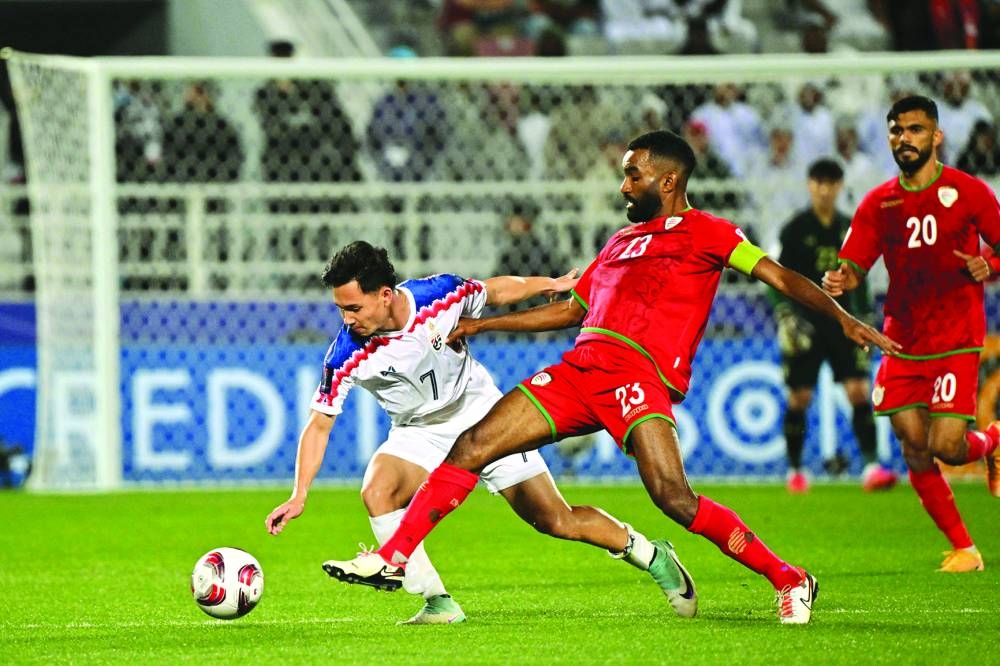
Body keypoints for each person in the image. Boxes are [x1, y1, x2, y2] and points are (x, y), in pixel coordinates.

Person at [323, 130, 901, 625]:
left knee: (673, 497)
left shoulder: (713, 234)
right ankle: (393, 557)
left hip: (639, 377)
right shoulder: (619, 242)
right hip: (580, 370)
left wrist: (845, 319)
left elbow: (780, 277)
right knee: (471, 445)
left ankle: (788, 577)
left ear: (668, 181)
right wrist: (486, 325)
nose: (624, 186)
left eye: (633, 175)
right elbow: (572, 310)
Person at [265, 240, 699, 624]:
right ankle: (438, 602)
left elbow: (494, 290)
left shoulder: (438, 295)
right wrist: (300, 493)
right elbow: (319, 425)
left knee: (556, 520)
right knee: (378, 490)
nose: (346, 319)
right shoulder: (345, 354)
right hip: (418, 431)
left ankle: (650, 552)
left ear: (384, 295)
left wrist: (549, 283)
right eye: (340, 308)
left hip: (484, 418)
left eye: (353, 308)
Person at [822, 95, 1000, 573]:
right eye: (897, 130)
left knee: (947, 445)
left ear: (936, 137)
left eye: (916, 130)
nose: (905, 139)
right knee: (912, 442)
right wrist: (842, 280)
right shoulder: (879, 203)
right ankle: (965, 548)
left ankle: (991, 442)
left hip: (957, 333)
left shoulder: (969, 192)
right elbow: (855, 265)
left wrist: (992, 263)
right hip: (902, 336)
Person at [770, 158, 898, 494]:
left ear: (840, 186)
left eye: (831, 182)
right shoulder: (795, 230)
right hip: (807, 322)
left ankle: (871, 466)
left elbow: (861, 274)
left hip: (844, 321)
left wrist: (866, 313)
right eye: (819, 182)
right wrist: (785, 314)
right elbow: (775, 276)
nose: (825, 189)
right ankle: (795, 471)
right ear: (810, 185)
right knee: (800, 396)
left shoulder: (849, 227)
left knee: (858, 390)